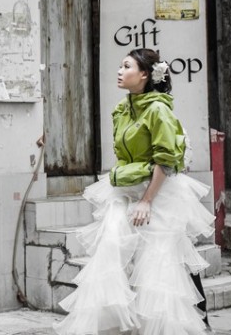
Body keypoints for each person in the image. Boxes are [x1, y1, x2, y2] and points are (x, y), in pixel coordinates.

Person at [54, 48, 215, 335]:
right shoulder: (123, 109)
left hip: (157, 193)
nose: (119, 70)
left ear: (144, 75)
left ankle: (182, 325)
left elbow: (165, 159)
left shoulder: (158, 110)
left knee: (161, 264)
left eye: (126, 66)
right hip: (127, 190)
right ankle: (121, 325)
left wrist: (147, 201)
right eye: (120, 65)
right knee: (112, 250)